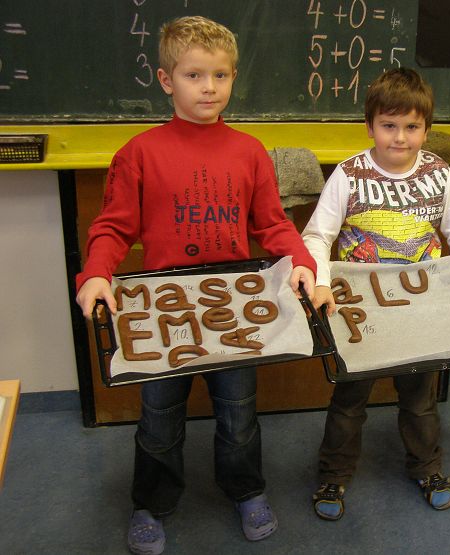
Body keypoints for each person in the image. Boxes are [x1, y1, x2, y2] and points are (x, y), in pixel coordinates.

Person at [74, 16, 316, 555]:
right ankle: (152, 502)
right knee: (160, 418)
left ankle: (245, 489)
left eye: (220, 75)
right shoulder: (139, 153)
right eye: (194, 75)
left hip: (233, 309)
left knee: (239, 412)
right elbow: (113, 227)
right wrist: (96, 273)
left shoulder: (249, 151)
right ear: (166, 80)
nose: (209, 87)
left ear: (233, 78)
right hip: (164, 311)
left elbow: (273, 224)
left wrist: (300, 262)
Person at [302, 67, 450, 520]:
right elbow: (317, 235)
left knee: (420, 399)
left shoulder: (439, 173)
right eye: (389, 125)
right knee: (350, 400)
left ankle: (427, 468)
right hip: (360, 310)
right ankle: (333, 474)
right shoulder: (349, 174)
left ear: (426, 129)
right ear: (370, 126)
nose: (400, 138)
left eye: (412, 127)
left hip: (420, 308)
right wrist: (320, 280)